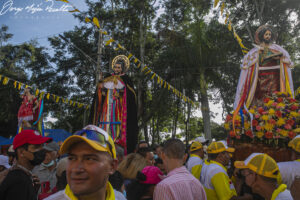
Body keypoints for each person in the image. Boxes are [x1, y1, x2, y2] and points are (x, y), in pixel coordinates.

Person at [45, 125, 125, 200]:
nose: (76, 169)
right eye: (72, 158)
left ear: (112, 166)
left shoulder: (120, 198)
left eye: (89, 159)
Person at [233, 25, 294, 115]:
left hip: (275, 79)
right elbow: (248, 64)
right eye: (266, 34)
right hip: (260, 81)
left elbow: (286, 61)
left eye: (269, 34)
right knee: (260, 101)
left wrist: (280, 57)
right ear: (262, 36)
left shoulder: (278, 49)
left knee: (275, 99)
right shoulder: (254, 51)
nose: (268, 36)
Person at [89, 55, 138, 154]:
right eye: (115, 67)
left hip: (119, 107)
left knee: (117, 123)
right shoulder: (108, 77)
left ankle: (116, 139)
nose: (116, 69)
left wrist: (121, 91)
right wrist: (101, 88)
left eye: (118, 67)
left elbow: (130, 94)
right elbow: (101, 94)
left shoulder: (126, 79)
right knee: (104, 120)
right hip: (106, 107)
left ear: (122, 68)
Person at [0, 129, 52, 200]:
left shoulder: (23, 176)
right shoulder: (18, 182)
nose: (42, 150)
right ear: (21, 152)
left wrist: (33, 191)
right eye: (36, 147)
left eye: (42, 146)